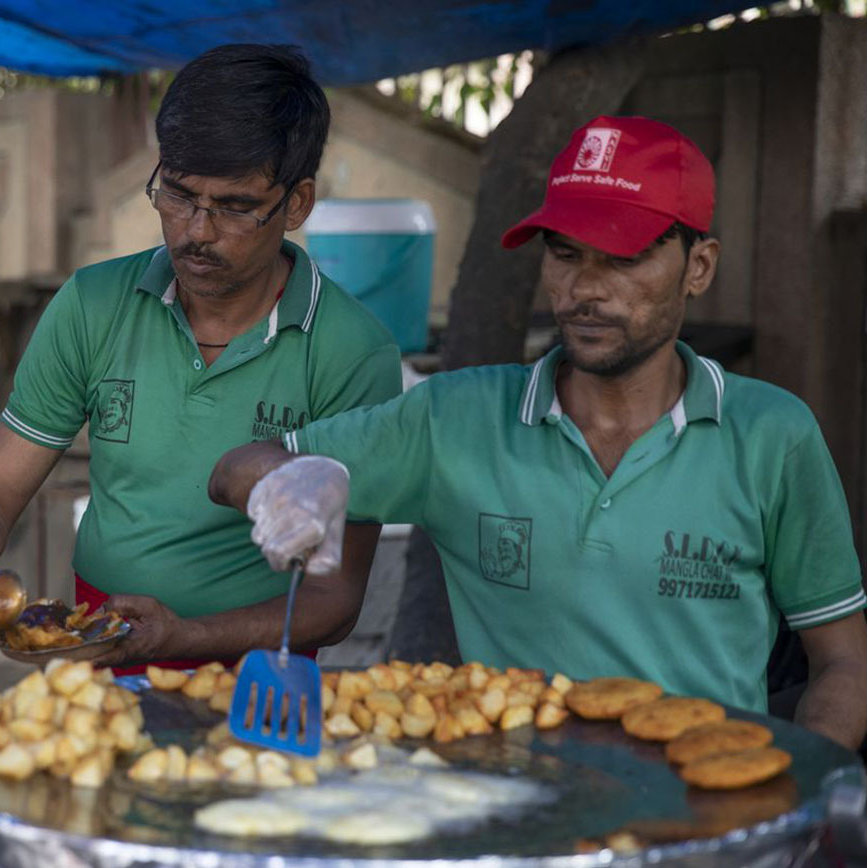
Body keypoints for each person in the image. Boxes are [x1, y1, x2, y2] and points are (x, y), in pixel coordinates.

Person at [209, 115, 867, 751]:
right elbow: (233, 468)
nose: (586, 287)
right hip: (519, 817)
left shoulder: (772, 436)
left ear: (699, 266)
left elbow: (842, 661)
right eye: (565, 253)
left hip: (706, 834)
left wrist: (802, 784)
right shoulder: (456, 419)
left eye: (624, 257)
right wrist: (289, 484)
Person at [0, 44, 402, 670]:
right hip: (97, 661)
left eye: (235, 207)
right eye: (178, 195)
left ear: (296, 204)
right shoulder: (92, 306)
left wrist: (184, 637)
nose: (196, 231)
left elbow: (335, 600)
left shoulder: (352, 351)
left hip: (256, 687)